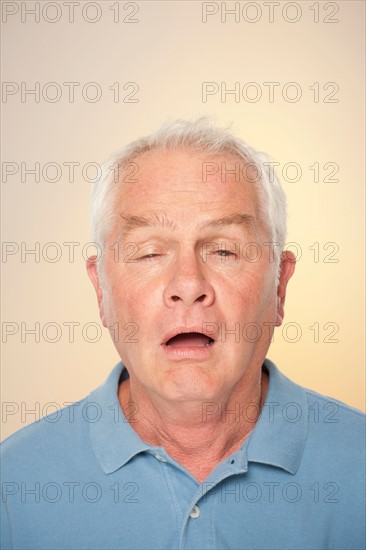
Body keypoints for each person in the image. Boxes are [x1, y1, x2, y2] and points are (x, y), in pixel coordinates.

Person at [1, 118, 364, 550]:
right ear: (101, 290)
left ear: (279, 286)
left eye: (225, 250)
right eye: (150, 252)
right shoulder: (14, 484)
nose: (188, 284)